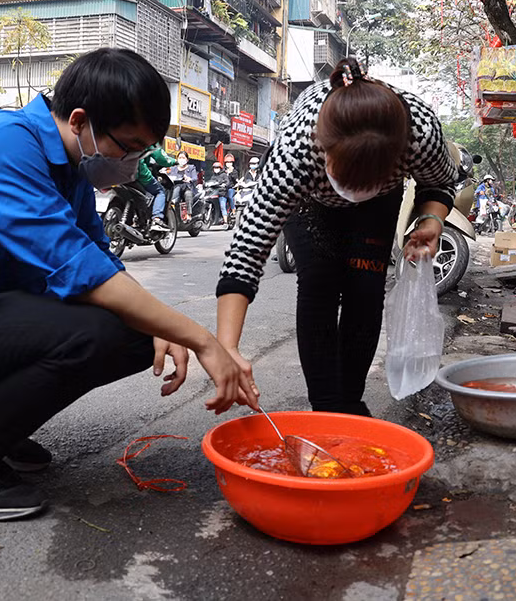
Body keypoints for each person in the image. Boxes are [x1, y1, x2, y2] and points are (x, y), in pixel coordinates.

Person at [0, 48, 256, 522]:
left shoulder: (71, 174)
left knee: (138, 332)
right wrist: (201, 338)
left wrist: (164, 326)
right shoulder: (6, 144)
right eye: (127, 146)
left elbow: (100, 261)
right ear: (81, 120)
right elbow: (82, 276)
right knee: (113, 332)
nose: (131, 161)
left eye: (142, 151)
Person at [215, 58, 458, 417]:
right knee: (320, 279)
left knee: (366, 285)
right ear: (324, 152)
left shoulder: (418, 132)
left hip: (377, 206)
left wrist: (431, 220)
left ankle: (350, 401)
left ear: (397, 158)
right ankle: (327, 407)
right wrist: (226, 348)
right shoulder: (296, 152)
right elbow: (247, 250)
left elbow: (439, 182)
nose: (353, 192)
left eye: (367, 182)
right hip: (310, 203)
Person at [135, 146, 178, 228]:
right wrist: (174, 161)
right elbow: (160, 157)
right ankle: (157, 218)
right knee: (160, 192)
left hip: (114, 172)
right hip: (137, 173)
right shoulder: (148, 136)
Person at [165, 151, 198, 219]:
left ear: (187, 159)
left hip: (187, 187)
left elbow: (195, 178)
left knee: (188, 194)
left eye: (183, 157)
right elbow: (168, 175)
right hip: (175, 187)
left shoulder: (191, 167)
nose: (181, 159)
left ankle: (189, 214)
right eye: (180, 158)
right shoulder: (173, 168)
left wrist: (189, 179)